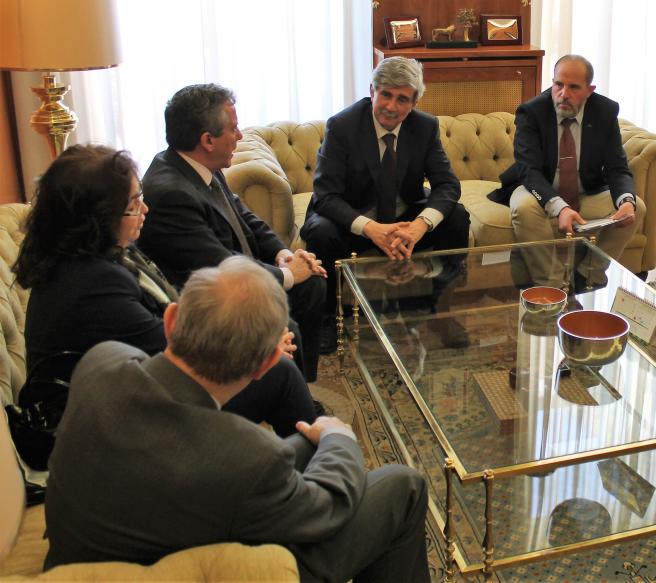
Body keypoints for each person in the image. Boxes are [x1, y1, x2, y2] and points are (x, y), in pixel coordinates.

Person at [43, 256, 431, 582]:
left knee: (305, 447)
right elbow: (328, 508)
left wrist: (319, 446)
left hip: (104, 545)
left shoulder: (100, 362)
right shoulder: (245, 456)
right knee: (403, 486)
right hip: (190, 568)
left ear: (171, 321)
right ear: (266, 364)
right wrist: (339, 438)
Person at [14, 144, 320, 438]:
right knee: (279, 373)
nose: (145, 209)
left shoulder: (97, 252)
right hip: (114, 424)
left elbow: (171, 308)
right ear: (98, 217)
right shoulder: (91, 284)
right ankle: (313, 456)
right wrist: (254, 351)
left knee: (276, 349)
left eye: (140, 196)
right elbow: (176, 354)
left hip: (132, 389)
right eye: (133, 205)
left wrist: (252, 337)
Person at [137, 84, 326, 381]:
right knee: (288, 324)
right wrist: (289, 275)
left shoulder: (199, 164)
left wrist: (283, 254)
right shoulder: (171, 194)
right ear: (207, 140)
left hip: (237, 268)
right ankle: (285, 394)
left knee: (312, 284)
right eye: (234, 129)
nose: (239, 136)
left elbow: (245, 217)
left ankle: (300, 384)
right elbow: (219, 264)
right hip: (213, 299)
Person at [300, 56, 469, 353]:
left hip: (404, 220)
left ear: (414, 102)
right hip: (353, 218)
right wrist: (372, 229)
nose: (391, 106)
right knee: (320, 233)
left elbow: (448, 185)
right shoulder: (342, 126)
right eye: (386, 95)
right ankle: (327, 318)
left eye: (402, 99)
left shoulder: (425, 127)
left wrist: (419, 226)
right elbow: (326, 195)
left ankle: (438, 309)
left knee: (456, 217)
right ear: (372, 91)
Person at [490, 54, 645, 287]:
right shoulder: (532, 112)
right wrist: (560, 208)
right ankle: (551, 285)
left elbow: (617, 167)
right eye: (558, 84)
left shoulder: (604, 112)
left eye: (574, 87)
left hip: (586, 191)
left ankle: (588, 276)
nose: (563, 93)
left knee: (636, 207)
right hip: (538, 189)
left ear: (589, 90)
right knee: (523, 208)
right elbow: (528, 171)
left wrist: (626, 201)